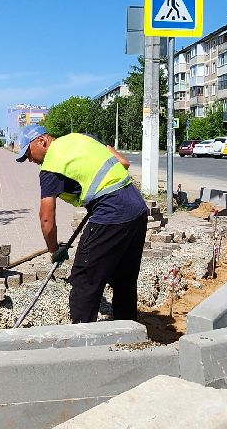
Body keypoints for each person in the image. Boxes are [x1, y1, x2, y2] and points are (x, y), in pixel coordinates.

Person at [14, 124, 148, 324]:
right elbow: (123, 163)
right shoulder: (81, 137)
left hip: (111, 214)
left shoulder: (51, 167)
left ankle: (81, 342)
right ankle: (128, 333)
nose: (30, 160)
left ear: (41, 141)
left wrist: (54, 250)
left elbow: (46, 219)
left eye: (29, 154)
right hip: (136, 208)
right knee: (124, 280)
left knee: (84, 280)